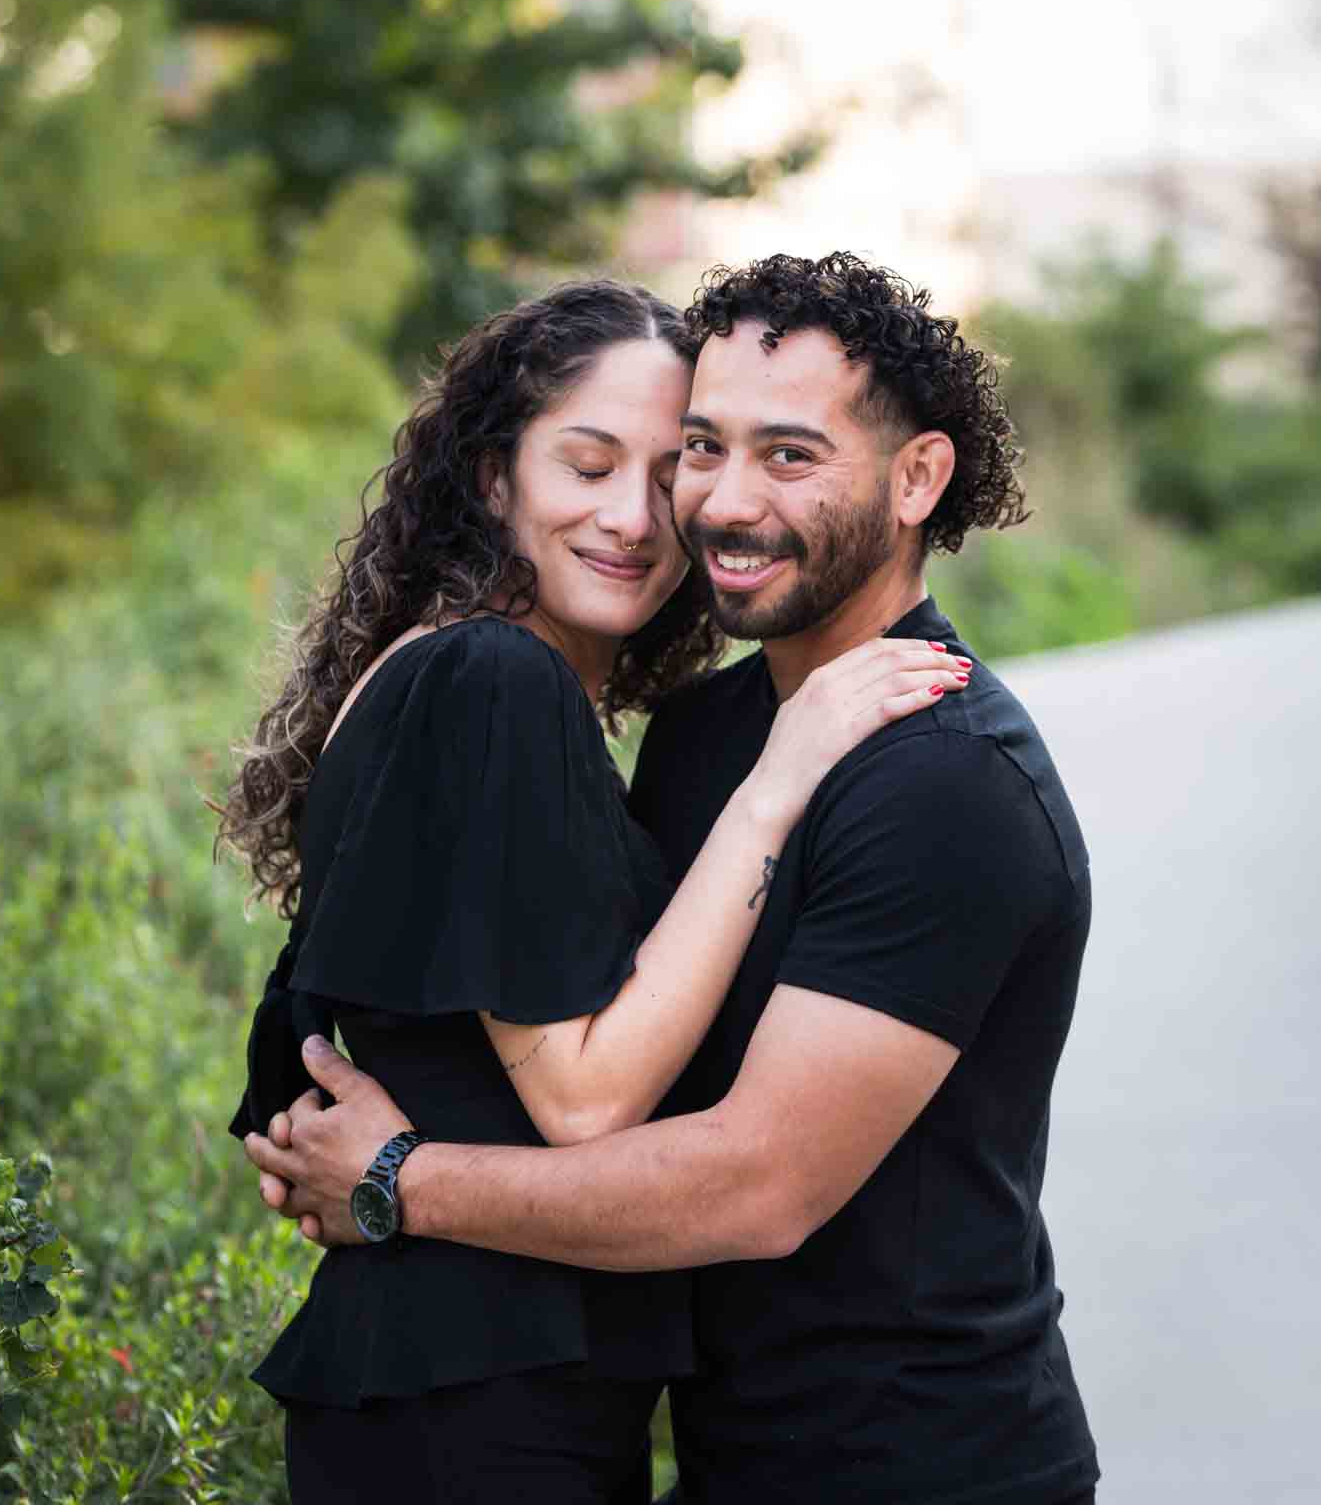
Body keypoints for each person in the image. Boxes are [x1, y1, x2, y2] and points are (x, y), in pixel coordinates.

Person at [247, 251, 1101, 1505]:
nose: (708, 505)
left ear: (918, 476)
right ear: (497, 476)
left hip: (918, 1461)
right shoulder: (701, 731)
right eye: (705, 445)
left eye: (790, 455)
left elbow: (753, 1181)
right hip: (688, 1442)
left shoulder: (944, 778)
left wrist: (393, 1180)